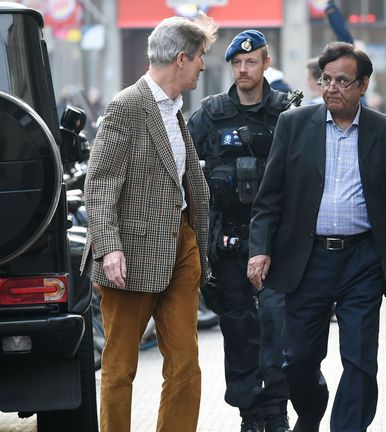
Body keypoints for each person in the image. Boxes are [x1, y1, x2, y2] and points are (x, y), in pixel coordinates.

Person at [247, 41, 386, 432]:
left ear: (363, 85)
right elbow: (269, 196)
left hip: (363, 260)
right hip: (307, 260)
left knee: (359, 359)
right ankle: (311, 410)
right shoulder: (294, 125)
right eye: (326, 79)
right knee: (299, 361)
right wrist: (260, 250)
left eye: (343, 80)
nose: (332, 87)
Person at [80, 14, 217, 432]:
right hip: (130, 254)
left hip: (181, 247)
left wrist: (193, 236)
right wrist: (109, 246)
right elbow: (100, 183)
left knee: (185, 366)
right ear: (180, 59)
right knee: (120, 368)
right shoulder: (127, 106)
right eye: (200, 57)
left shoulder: (175, 109)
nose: (203, 66)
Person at [187, 30, 296, 432]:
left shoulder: (288, 111)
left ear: (266, 63)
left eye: (251, 62)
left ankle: (276, 409)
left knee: (276, 326)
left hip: (277, 241)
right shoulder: (209, 113)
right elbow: (181, 165)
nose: (243, 69)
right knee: (238, 328)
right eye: (237, 63)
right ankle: (250, 413)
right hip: (228, 240)